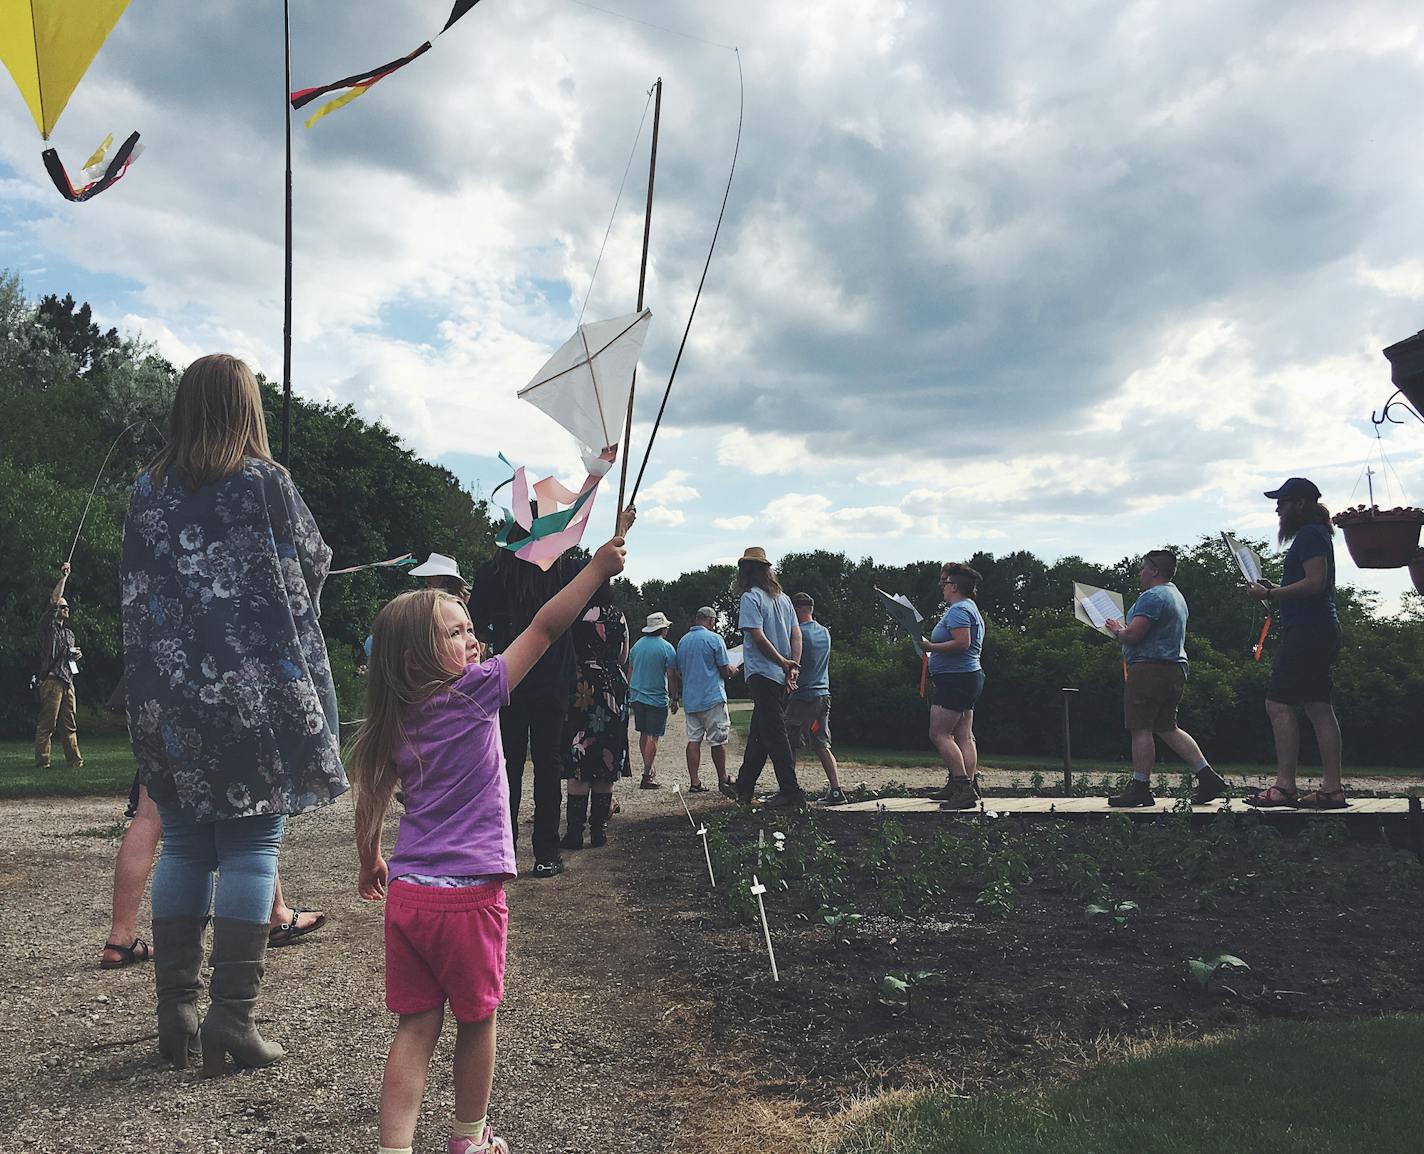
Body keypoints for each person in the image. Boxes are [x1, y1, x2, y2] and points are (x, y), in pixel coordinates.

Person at [348, 536, 626, 1154]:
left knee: (415, 1026)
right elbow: (548, 626)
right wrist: (596, 571)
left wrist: (370, 858)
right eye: (455, 633)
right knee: (477, 1022)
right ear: (419, 655)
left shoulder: (395, 716)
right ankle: (467, 1141)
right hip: (468, 900)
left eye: (470, 627)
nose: (472, 639)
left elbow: (371, 794)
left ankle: (395, 1147)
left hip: (411, 898)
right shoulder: (474, 694)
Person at [122, 353, 348, 1074]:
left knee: (185, 846)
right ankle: (231, 1021)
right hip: (254, 696)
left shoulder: (145, 489)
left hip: (169, 698)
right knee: (253, 850)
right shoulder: (265, 483)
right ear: (245, 407)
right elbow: (312, 564)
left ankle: (175, 1013)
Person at [469, 548, 582, 878]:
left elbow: (476, 621)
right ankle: (546, 854)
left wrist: (502, 634)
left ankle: (504, 850)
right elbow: (600, 583)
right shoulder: (564, 570)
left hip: (509, 677)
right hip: (554, 679)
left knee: (507, 765)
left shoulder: (493, 571)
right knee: (548, 764)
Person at [1245, 478, 1346, 808]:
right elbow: (1310, 582)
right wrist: (1275, 586)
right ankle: (1332, 789)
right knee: (1318, 707)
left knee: (1278, 704)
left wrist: (1271, 593)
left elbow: (1315, 583)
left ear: (1299, 503)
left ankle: (1284, 787)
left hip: (1307, 631)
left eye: (1283, 501)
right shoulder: (1316, 534)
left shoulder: (1310, 534)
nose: (1277, 508)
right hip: (1319, 629)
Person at [1105, 550, 1226, 808]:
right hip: (1175, 668)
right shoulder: (1176, 596)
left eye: (1142, 568)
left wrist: (1117, 630)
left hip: (1149, 669)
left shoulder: (1153, 596)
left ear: (1155, 571)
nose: (1139, 572)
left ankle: (1140, 788)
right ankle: (1207, 776)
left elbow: (1134, 635)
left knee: (1140, 727)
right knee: (1167, 727)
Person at [732, 548, 803, 808]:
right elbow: (797, 635)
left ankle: (791, 791)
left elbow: (758, 637)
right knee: (759, 735)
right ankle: (743, 788)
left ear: (745, 571)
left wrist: (784, 663)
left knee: (773, 733)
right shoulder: (783, 599)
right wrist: (793, 665)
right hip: (780, 675)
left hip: (763, 673)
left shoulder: (750, 598)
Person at [562, 580, 631, 849]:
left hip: (583, 685)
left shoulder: (575, 613)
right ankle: (599, 830)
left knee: (580, 756)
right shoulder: (619, 616)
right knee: (607, 755)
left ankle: (575, 833)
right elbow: (624, 656)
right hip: (613, 683)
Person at [924, 563, 987, 811]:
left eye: (945, 583)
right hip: (967, 677)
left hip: (956, 679)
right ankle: (964, 783)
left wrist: (931, 648)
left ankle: (962, 788)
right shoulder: (969, 608)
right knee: (963, 735)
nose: (942, 587)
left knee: (939, 733)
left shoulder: (960, 610)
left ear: (954, 587)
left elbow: (962, 643)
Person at [785, 593, 848, 806]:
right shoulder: (824, 632)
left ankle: (789, 790)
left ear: (798, 609)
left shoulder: (798, 634)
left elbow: (792, 662)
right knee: (821, 743)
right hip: (823, 693)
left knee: (789, 743)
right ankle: (836, 790)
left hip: (803, 696)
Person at [675, 607, 736, 796]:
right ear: (710, 621)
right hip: (712, 697)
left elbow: (679, 670)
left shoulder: (683, 642)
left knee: (694, 740)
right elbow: (725, 670)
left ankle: (695, 782)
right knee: (717, 740)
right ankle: (722, 779)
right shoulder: (715, 639)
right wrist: (734, 670)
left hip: (691, 699)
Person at [34, 562, 84, 770]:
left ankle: (75, 761)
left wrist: (76, 657)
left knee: (70, 724)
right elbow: (54, 600)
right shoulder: (48, 627)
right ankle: (43, 761)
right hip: (53, 680)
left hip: (67, 680)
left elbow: (69, 660)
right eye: (63, 606)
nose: (65, 608)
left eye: (67, 607)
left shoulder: (69, 634)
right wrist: (64, 577)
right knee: (48, 723)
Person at [628, 611, 680, 789]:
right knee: (654, 736)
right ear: (662, 629)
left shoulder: (636, 647)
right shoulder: (667, 648)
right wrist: (675, 697)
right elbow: (671, 675)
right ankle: (646, 774)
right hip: (656, 697)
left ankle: (648, 768)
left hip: (637, 695)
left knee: (643, 733)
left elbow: (630, 670)